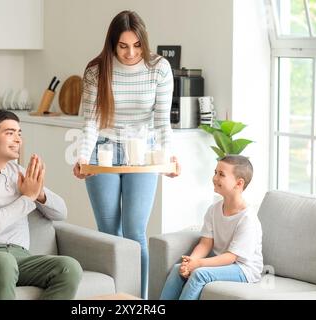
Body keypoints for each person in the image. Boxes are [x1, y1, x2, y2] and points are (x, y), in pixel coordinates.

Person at [73, 10, 180, 298]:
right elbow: (91, 122)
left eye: (136, 45)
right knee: (109, 234)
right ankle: (114, 297)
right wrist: (83, 159)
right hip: (103, 150)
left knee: (135, 233)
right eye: (123, 46)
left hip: (142, 152)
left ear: (144, 42)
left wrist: (167, 157)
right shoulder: (96, 71)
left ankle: (138, 300)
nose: (131, 53)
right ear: (112, 44)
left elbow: (161, 122)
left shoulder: (159, 68)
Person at [0, 110, 82, 300]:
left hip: (20, 258)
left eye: (19, 133)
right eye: (10, 133)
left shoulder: (18, 172)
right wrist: (28, 197)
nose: (19, 139)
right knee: (3, 262)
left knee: (69, 267)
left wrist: (39, 193)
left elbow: (61, 212)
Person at [160, 155, 263, 300]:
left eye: (221, 174)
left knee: (200, 273)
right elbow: (205, 244)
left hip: (244, 268)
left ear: (239, 184)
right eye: (215, 172)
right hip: (224, 262)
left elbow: (231, 257)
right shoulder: (213, 210)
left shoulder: (248, 219)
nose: (215, 178)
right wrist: (190, 262)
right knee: (178, 269)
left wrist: (199, 264)